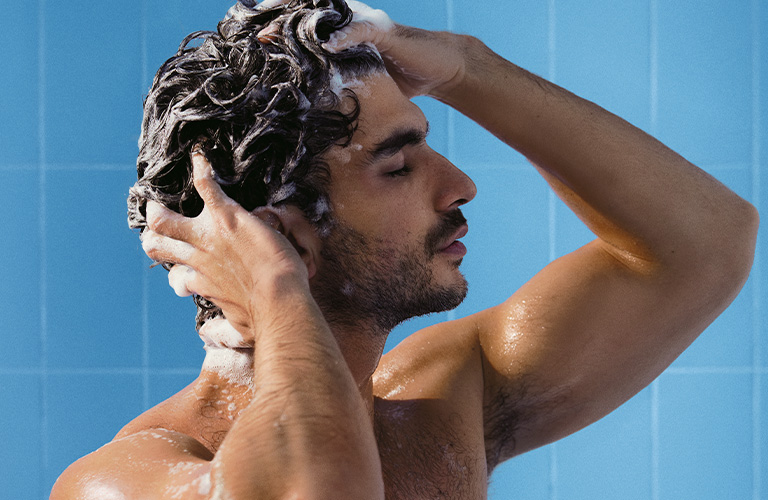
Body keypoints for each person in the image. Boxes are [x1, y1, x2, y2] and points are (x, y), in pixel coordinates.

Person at [51, 0, 759, 498]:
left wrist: (466, 68)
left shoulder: (439, 400)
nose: (461, 185)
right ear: (283, 233)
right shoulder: (127, 480)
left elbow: (701, 243)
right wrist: (276, 291)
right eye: (398, 166)